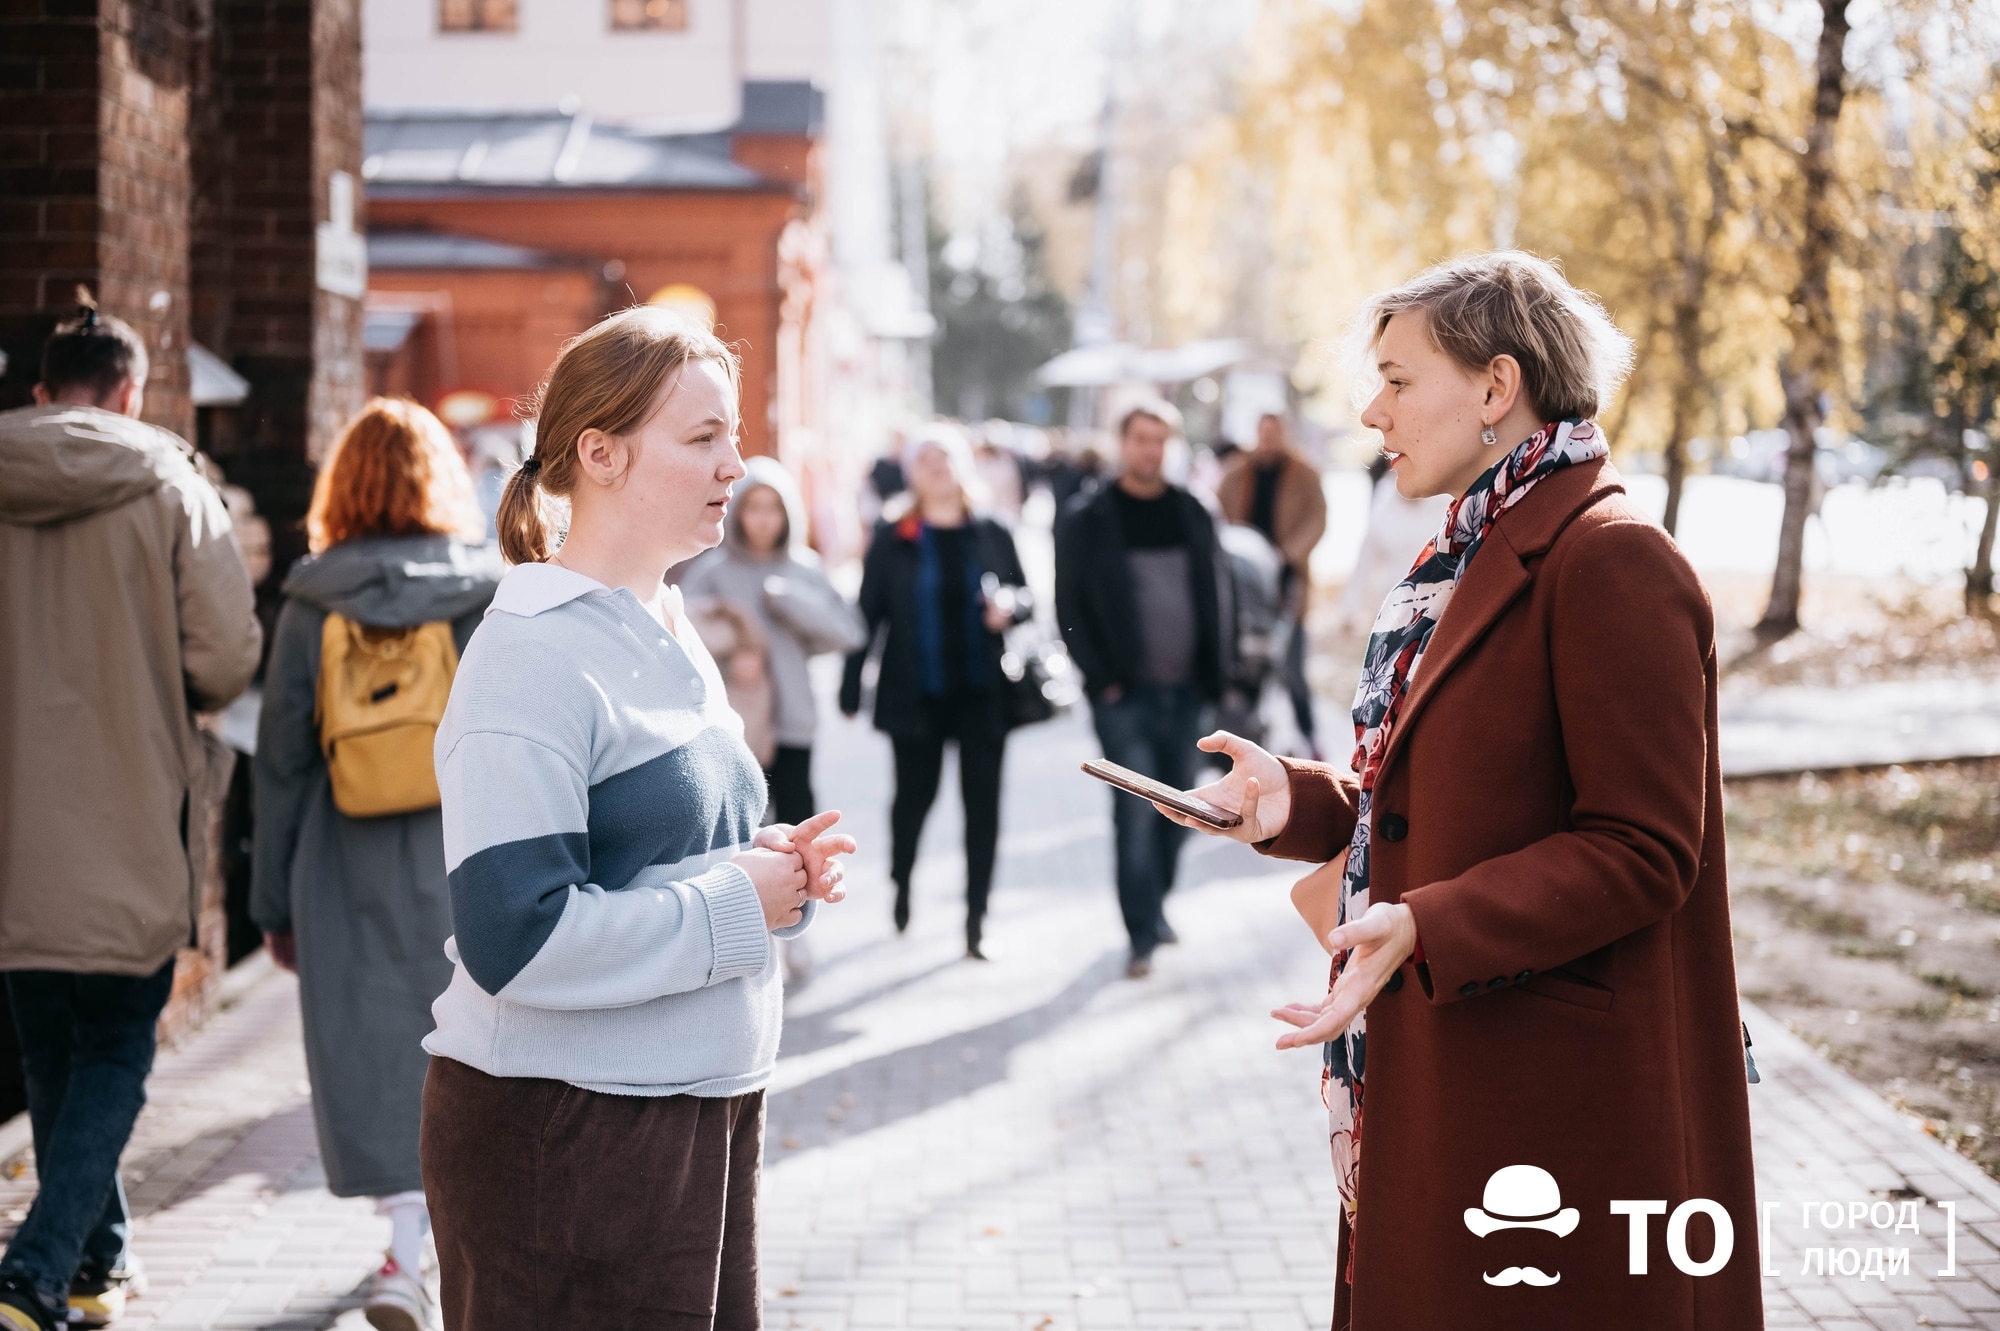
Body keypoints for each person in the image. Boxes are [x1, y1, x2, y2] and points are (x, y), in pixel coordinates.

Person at [1162, 251, 1759, 1328]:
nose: (1368, 408)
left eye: (1396, 378)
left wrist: (1426, 923)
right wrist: (1292, 805)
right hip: (1460, 1058)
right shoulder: (1471, 550)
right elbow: (1455, 794)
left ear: (1494, 387)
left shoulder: (1610, 559)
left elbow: (1643, 845)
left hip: (1550, 1095)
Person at [418, 307, 853, 1331]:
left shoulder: (662, 619)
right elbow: (512, 938)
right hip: (566, 1135)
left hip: (685, 1118)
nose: (735, 466)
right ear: (599, 453)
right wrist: (733, 901)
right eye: (702, 438)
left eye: (731, 437)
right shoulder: (529, 651)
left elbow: (663, 857)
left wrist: (768, 869)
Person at [0, 296, 261, 1331]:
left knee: (56, 1049)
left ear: (38, 393)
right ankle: (35, 1266)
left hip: (14, 825)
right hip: (129, 796)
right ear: (132, 390)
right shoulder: (168, 484)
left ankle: (95, 1262)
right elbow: (227, 655)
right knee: (114, 1045)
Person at [249, 398, 504, 1331]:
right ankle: (438, 1243)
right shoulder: (484, 592)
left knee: (372, 1049)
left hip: (339, 854)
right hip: (462, 847)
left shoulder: (311, 601)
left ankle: (406, 1248)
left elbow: (280, 758)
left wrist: (271, 899)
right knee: (467, 1040)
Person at [839, 426, 1032, 960]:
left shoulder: (991, 529)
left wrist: (1010, 608)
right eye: (926, 458)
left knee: (983, 809)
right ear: (912, 471)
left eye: (945, 456)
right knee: (912, 803)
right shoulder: (894, 531)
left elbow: (1028, 595)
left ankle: (977, 920)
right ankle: (902, 881)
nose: (937, 466)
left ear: (963, 465)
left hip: (982, 694)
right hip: (914, 694)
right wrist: (851, 684)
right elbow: (867, 612)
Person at [1054, 400, 1229, 979]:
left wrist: (1218, 676)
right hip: (1123, 696)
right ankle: (1140, 934)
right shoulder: (1089, 517)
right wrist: (1100, 680)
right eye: (1139, 439)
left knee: (1182, 811)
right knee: (1134, 816)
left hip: (1188, 693)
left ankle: (1155, 907)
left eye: (1160, 440)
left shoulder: (1193, 511)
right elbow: (1069, 606)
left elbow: (1217, 595)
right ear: (1121, 444)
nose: (1149, 450)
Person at [680, 455, 868, 826]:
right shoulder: (712, 571)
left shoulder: (804, 569)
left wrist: (792, 602)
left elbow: (849, 632)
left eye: (773, 509)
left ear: (789, 514)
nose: (764, 519)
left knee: (798, 823)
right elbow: (679, 637)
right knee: (742, 826)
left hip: (794, 720)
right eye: (753, 508)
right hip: (736, 722)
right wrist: (730, 657)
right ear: (737, 512)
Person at [1215, 412, 1328, 757]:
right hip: (1243, 585)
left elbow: (1317, 520)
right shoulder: (1236, 473)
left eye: (1274, 434)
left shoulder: (1304, 475)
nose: (1268, 440)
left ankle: (1308, 736)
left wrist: (1287, 553)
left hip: (1286, 584)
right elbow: (1219, 517)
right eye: (1263, 434)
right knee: (1246, 669)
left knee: (1293, 670)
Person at [1331, 452, 1450, 635]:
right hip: (1394, 606)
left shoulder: (1445, 500)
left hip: (1440, 608)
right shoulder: (1385, 498)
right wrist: (1350, 608)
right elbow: (1366, 558)